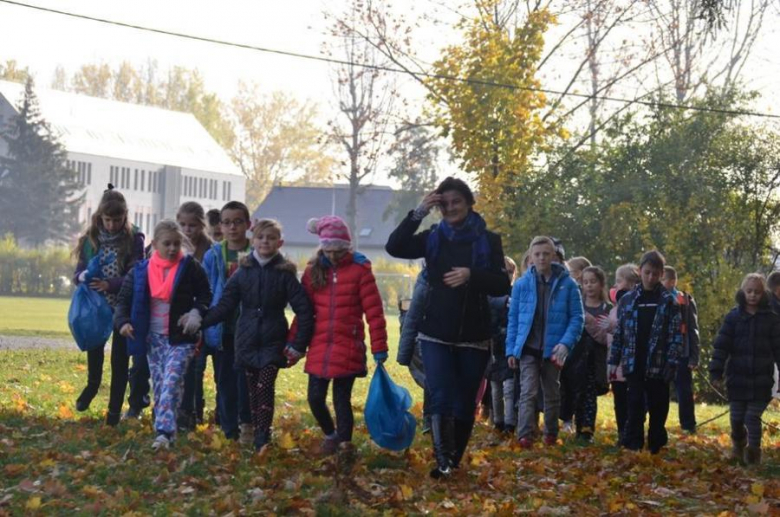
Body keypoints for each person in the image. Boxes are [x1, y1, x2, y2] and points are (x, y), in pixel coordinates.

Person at [387, 177, 510, 479]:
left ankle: (454, 460)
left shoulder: (489, 241)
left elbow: (501, 284)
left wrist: (472, 275)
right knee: (440, 395)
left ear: (469, 203)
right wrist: (418, 212)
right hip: (436, 331)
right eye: (445, 204)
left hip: (474, 334)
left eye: (456, 202)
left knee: (464, 402)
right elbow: (395, 246)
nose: (451, 208)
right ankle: (442, 462)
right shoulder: (432, 238)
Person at [200, 219, 314, 451]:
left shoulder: (285, 273)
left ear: (279, 242)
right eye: (261, 237)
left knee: (265, 386)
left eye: (270, 238)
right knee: (251, 389)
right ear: (254, 241)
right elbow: (225, 305)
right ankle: (251, 431)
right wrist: (200, 323)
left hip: (274, 339)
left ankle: (263, 436)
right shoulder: (243, 272)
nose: (265, 242)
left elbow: (304, 309)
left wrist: (298, 344)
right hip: (247, 339)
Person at [114, 220, 212, 450]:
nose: (172, 249)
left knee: (171, 381)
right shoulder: (140, 271)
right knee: (161, 387)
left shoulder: (190, 267)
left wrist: (195, 314)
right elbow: (123, 301)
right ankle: (169, 430)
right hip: (153, 339)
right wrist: (123, 323)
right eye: (167, 244)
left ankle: (164, 433)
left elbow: (206, 295)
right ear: (155, 244)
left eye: (176, 244)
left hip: (181, 338)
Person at [297, 215, 388, 459]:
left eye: (339, 250)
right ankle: (330, 435)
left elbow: (375, 312)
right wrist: (294, 344)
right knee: (315, 398)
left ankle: (346, 445)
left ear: (347, 247)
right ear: (322, 248)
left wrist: (380, 347)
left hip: (348, 345)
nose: (334, 256)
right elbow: (303, 312)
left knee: (341, 400)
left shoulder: (360, 271)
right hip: (319, 345)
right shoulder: (313, 272)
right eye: (329, 250)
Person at [72, 185, 145, 425]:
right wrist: (84, 277)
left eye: (117, 219)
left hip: (123, 305)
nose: (112, 225)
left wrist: (110, 284)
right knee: (95, 351)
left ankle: (114, 412)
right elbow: (78, 271)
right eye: (108, 220)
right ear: (100, 217)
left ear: (125, 216)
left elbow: (136, 273)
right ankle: (92, 386)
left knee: (120, 360)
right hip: (96, 306)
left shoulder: (134, 238)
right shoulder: (90, 238)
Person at [506, 236, 584, 449]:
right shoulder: (522, 285)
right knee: (527, 392)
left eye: (546, 254)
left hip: (553, 349)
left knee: (552, 392)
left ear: (553, 256)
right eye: (537, 254)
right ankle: (525, 435)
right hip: (528, 348)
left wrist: (565, 344)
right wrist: (511, 350)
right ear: (530, 257)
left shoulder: (568, 285)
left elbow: (577, 317)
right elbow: (513, 319)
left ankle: (551, 433)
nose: (541, 258)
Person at [608, 250, 682, 454]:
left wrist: (672, 361)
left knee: (659, 407)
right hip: (634, 361)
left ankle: (656, 443)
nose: (651, 277)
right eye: (647, 272)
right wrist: (613, 360)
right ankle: (634, 443)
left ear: (661, 274)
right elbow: (620, 332)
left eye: (655, 274)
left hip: (658, 363)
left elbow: (675, 335)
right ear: (640, 271)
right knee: (634, 405)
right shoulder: (628, 300)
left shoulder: (669, 302)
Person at [709, 273, 780, 466]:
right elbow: (721, 346)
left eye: (757, 292)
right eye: (749, 291)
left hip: (761, 380)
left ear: (763, 294)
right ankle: (738, 447)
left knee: (752, 417)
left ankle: (753, 454)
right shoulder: (733, 317)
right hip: (737, 379)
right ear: (743, 292)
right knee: (736, 418)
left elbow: (778, 348)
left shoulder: (771, 319)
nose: (753, 295)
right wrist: (716, 371)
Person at [202, 201, 253, 442]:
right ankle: (229, 428)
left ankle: (247, 425)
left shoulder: (257, 252)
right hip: (221, 328)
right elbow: (205, 289)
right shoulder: (213, 255)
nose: (232, 227)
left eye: (238, 222)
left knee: (246, 380)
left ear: (247, 224)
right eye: (227, 222)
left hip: (249, 329)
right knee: (224, 380)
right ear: (220, 226)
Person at [175, 201, 215, 430]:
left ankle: (193, 412)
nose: (187, 230)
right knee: (180, 366)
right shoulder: (173, 244)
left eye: (192, 225)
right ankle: (180, 410)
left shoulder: (209, 250)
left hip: (200, 311)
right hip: (175, 313)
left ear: (201, 225)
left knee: (195, 367)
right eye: (183, 224)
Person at [571, 266, 612, 442]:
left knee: (589, 394)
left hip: (596, 359)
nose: (589, 286)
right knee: (577, 393)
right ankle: (578, 426)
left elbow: (609, 336)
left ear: (601, 284)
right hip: (577, 358)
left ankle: (587, 429)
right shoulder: (577, 306)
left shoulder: (607, 308)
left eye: (593, 282)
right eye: (585, 282)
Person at [602, 263, 640, 442]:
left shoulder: (633, 305)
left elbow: (631, 329)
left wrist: (613, 327)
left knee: (631, 400)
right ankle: (621, 432)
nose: (616, 285)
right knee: (619, 401)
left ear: (632, 284)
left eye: (619, 281)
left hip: (629, 363)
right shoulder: (614, 308)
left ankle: (631, 431)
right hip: (615, 363)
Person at [662, 266, 700, 434]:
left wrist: (694, 357)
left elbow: (693, 329)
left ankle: (688, 425)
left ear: (672, 281)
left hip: (682, 353)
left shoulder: (685, 299)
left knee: (684, 390)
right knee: (657, 390)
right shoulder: (655, 298)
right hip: (661, 353)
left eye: (662, 279)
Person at [396, 270, 432, 433]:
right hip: (430, 340)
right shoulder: (426, 279)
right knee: (433, 382)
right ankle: (430, 420)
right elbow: (411, 319)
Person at [560, 255, 592, 433]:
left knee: (575, 385)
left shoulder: (584, 293)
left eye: (571, 271)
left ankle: (572, 420)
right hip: (567, 342)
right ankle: (565, 418)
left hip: (581, 348)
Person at [489, 257, 517, 434]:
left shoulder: (516, 292)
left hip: (509, 343)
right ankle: (497, 421)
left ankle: (509, 422)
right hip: (493, 344)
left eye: (510, 271)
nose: (506, 275)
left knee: (509, 385)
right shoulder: (489, 294)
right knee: (495, 387)